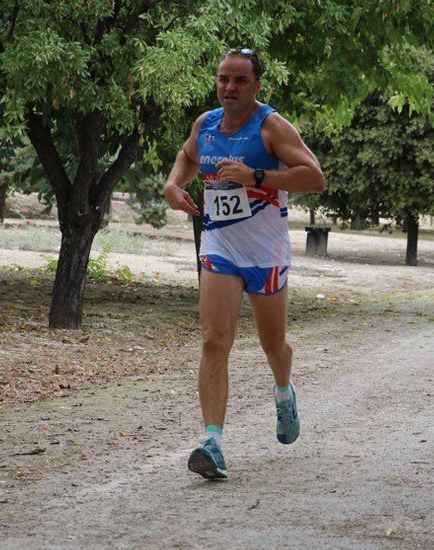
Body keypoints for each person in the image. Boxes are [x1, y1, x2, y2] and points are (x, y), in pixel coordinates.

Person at [163, 48, 325, 480]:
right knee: (214, 339)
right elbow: (187, 156)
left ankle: (284, 391)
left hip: (266, 251)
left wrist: (256, 177)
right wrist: (173, 185)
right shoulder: (207, 124)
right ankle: (212, 442)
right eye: (223, 79)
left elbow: (314, 176)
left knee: (274, 344)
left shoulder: (271, 126)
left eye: (239, 81)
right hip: (220, 245)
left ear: (256, 86)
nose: (229, 88)